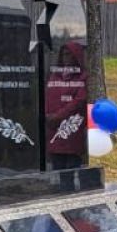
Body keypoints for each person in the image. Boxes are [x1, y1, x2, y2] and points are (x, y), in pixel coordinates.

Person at [44, 41, 88, 170]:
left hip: (71, 128)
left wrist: (58, 117)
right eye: (63, 54)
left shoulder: (82, 78)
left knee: (72, 167)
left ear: (76, 56)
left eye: (69, 54)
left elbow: (78, 101)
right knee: (57, 167)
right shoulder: (55, 76)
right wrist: (47, 116)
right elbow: (47, 96)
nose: (66, 57)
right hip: (53, 127)